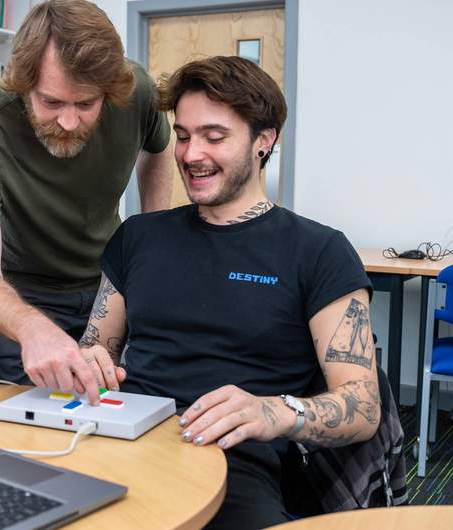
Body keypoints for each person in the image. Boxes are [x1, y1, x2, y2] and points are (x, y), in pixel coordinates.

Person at [77, 56, 380, 529]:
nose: (191, 154)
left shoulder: (318, 251)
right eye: (182, 136)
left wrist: (275, 412)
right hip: (121, 438)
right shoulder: (137, 236)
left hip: (231, 462)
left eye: (214, 137)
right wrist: (88, 362)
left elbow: (363, 405)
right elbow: (97, 348)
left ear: (264, 141)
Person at [0, 0, 173, 404]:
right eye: (51, 102)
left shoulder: (135, 91)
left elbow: (160, 147)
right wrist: (33, 328)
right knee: (40, 425)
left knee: (128, 407)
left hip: (113, 284)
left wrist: (153, 238)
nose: (69, 122)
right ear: (22, 82)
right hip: (24, 296)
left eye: (86, 104)